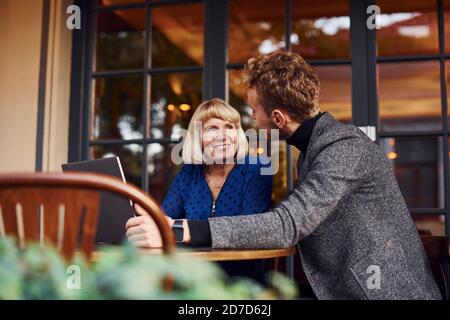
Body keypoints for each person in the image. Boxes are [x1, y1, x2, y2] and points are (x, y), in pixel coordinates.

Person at [126, 49, 441, 299]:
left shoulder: (344, 149)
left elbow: (287, 224)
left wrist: (178, 231)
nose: (249, 121)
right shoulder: (314, 150)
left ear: (277, 118)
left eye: (252, 111)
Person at [127, 98, 272, 283]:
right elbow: (164, 222)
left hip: (241, 283)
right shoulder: (189, 173)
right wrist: (149, 223)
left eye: (230, 127)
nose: (223, 136)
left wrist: (182, 232)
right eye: (212, 128)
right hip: (191, 279)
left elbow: (248, 230)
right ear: (198, 138)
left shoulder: (256, 168)